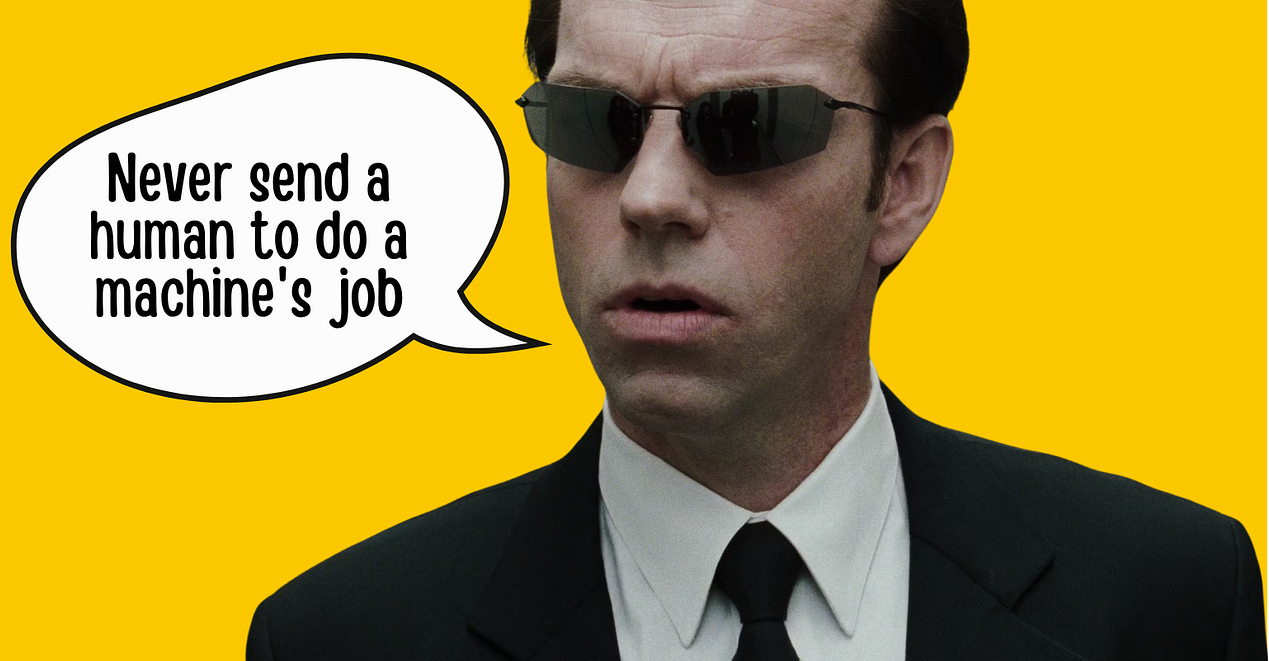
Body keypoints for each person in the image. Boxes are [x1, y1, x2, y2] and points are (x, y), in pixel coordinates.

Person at [247, 0, 1267, 659]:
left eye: (745, 125)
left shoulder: (1163, 599)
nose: (650, 196)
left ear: (903, 184)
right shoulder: (343, 637)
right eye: (595, 122)